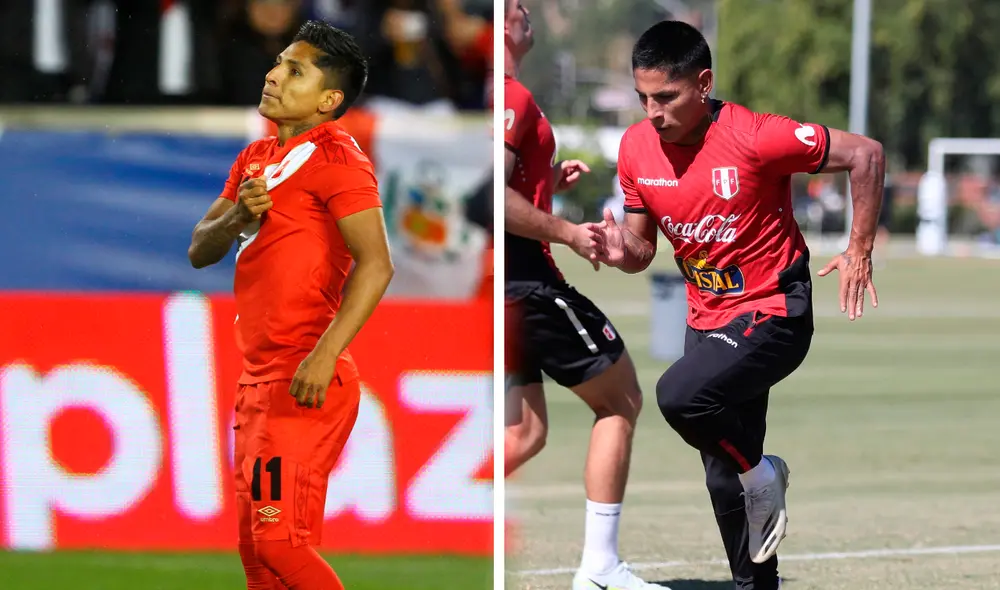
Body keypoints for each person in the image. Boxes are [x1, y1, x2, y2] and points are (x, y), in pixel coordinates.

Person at [588, 21, 883, 590]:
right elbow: (643, 249)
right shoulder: (634, 147)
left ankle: (762, 472)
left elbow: (866, 155)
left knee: (679, 397)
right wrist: (617, 246)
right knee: (723, 477)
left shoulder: (755, 135)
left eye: (666, 97)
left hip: (774, 310)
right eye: (643, 97)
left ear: (703, 84)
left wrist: (859, 249)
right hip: (707, 319)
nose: (653, 111)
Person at [187, 20, 394, 590]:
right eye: (279, 62)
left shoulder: (339, 160)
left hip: (304, 381)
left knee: (280, 542)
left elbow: (377, 264)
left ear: (329, 100)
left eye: (294, 70)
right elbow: (199, 250)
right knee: (258, 552)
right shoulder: (255, 156)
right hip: (258, 384)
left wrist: (325, 356)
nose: (274, 75)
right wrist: (236, 217)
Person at [503, 2, 661, 589]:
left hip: (496, 290)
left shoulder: (497, 98)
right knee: (619, 400)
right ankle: (599, 569)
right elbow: (494, 198)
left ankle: (438, 520)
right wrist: (568, 231)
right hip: (525, 287)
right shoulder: (510, 97)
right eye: (518, 8)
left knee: (525, 433)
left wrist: (544, 188)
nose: (527, 14)